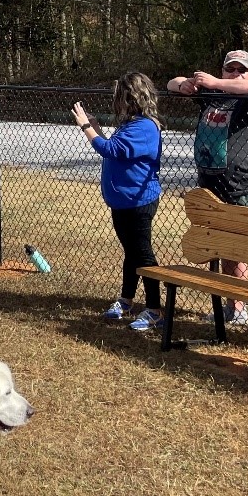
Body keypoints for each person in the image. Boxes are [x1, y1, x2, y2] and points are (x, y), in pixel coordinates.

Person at [167, 49, 248, 334]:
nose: (235, 74)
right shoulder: (215, 96)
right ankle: (235, 308)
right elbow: (172, 82)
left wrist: (216, 82)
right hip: (216, 190)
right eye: (229, 69)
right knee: (229, 249)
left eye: (241, 70)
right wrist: (184, 84)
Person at [72, 73, 165, 331]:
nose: (116, 102)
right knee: (132, 253)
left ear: (130, 98)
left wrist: (86, 127)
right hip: (123, 201)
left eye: (119, 97)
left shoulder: (145, 126)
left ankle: (155, 310)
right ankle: (126, 301)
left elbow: (109, 150)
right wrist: (96, 128)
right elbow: (114, 146)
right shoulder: (132, 124)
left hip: (138, 200)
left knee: (143, 255)